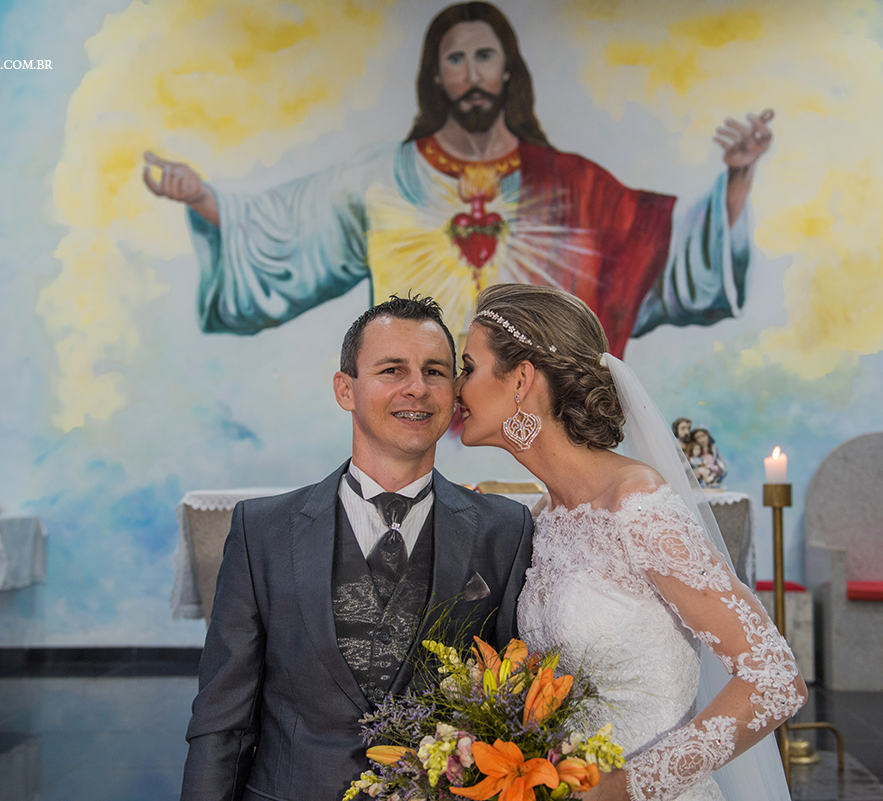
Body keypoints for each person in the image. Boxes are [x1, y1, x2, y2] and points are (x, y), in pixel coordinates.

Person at [143, 1, 774, 355]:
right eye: (456, 59)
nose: (471, 74)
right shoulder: (384, 176)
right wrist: (203, 199)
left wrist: (738, 178)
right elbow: (287, 232)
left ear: (507, 70)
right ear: (437, 75)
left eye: (484, 56)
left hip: (536, 424)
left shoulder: (570, 184)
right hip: (419, 416)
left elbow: (656, 248)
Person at [455, 283, 805, 801]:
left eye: (468, 368)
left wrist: (622, 787)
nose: (455, 388)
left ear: (521, 380)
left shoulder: (636, 507)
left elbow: (775, 678)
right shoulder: (547, 517)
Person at [180, 295, 534, 801]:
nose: (417, 387)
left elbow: (512, 709)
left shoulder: (506, 530)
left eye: (435, 371)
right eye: (392, 369)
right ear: (345, 389)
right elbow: (222, 720)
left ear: (454, 391)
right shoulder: (262, 531)